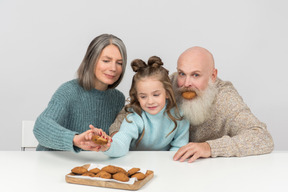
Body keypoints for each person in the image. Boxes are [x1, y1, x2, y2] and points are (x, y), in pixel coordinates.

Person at [109, 46, 274, 162]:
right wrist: (117, 138)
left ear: (213, 75)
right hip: (163, 165)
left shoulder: (225, 99)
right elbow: (131, 110)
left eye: (196, 75)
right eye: (182, 73)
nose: (186, 83)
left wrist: (209, 148)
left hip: (210, 171)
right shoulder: (170, 83)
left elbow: (262, 138)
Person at [33, 34, 127, 152]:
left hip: (87, 166)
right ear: (91, 60)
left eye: (119, 63)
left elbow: (117, 139)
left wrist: (110, 141)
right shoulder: (68, 91)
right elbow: (41, 127)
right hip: (53, 164)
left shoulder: (118, 98)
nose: (113, 68)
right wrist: (75, 139)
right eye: (106, 60)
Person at [101, 56, 189, 157]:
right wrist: (108, 146)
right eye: (143, 96)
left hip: (166, 164)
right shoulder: (134, 117)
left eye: (156, 95)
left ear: (167, 93)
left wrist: (168, 164)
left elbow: (179, 147)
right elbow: (121, 142)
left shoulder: (179, 116)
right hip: (135, 163)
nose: (150, 101)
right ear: (137, 97)